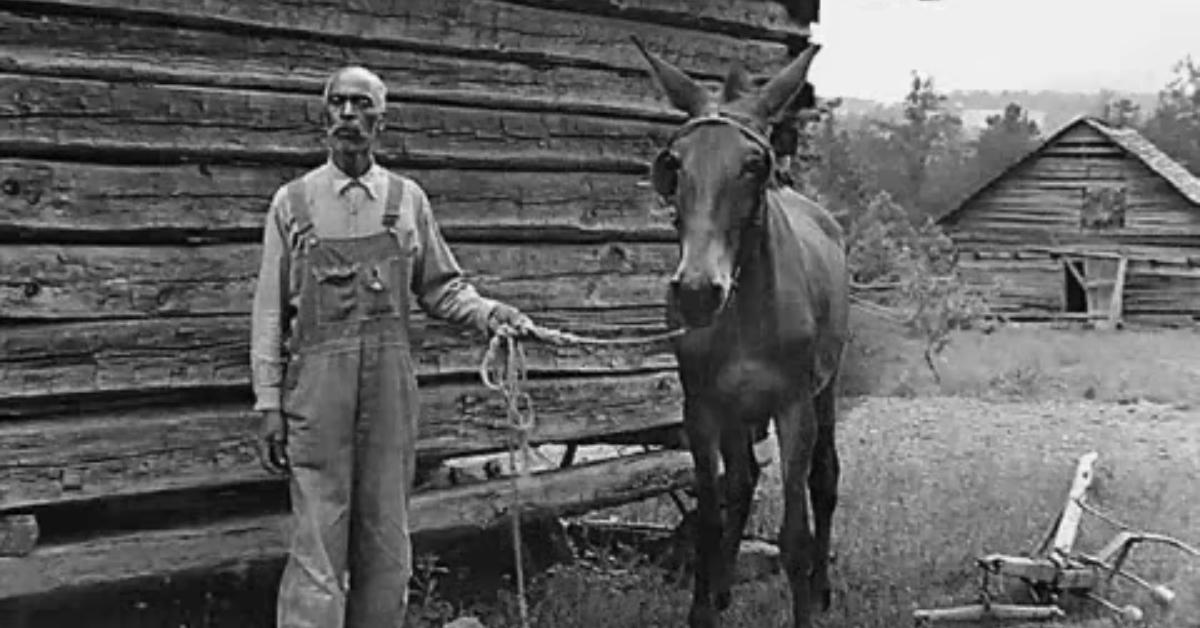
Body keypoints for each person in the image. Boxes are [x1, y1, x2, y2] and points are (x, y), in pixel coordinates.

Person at [249, 65, 533, 628]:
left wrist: (491, 314)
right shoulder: (292, 202)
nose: (348, 116)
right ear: (323, 114)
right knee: (316, 542)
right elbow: (266, 310)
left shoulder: (407, 201)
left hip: (389, 395)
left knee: (386, 538)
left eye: (361, 105)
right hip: (316, 398)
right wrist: (268, 403)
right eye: (337, 104)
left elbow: (442, 288)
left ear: (382, 119)